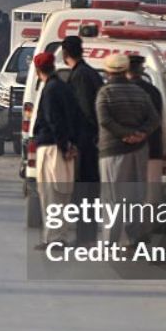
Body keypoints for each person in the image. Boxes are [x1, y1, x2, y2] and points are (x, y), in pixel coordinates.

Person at [96, 54, 160, 246]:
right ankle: (134, 236)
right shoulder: (141, 93)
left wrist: (124, 135)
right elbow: (154, 119)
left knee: (112, 198)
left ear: (108, 71)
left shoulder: (105, 93)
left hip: (112, 151)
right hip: (139, 151)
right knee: (135, 196)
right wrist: (140, 134)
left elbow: (105, 120)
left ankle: (111, 239)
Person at [32, 52, 81, 250]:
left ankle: (53, 239)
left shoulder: (50, 89)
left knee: (50, 193)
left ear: (37, 71)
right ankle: (59, 236)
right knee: (62, 196)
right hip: (63, 147)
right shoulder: (64, 87)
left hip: (53, 148)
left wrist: (63, 146)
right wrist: (71, 144)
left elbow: (54, 121)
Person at [60, 35, 104, 245]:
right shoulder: (89, 73)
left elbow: (85, 110)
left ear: (64, 53)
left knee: (85, 192)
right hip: (91, 141)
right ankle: (86, 235)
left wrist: (77, 141)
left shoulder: (80, 76)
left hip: (86, 143)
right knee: (88, 191)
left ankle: (85, 237)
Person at [127, 55, 166, 194]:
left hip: (128, 150)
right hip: (152, 149)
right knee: (151, 198)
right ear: (142, 69)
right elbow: (160, 121)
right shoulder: (154, 91)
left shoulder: (121, 91)